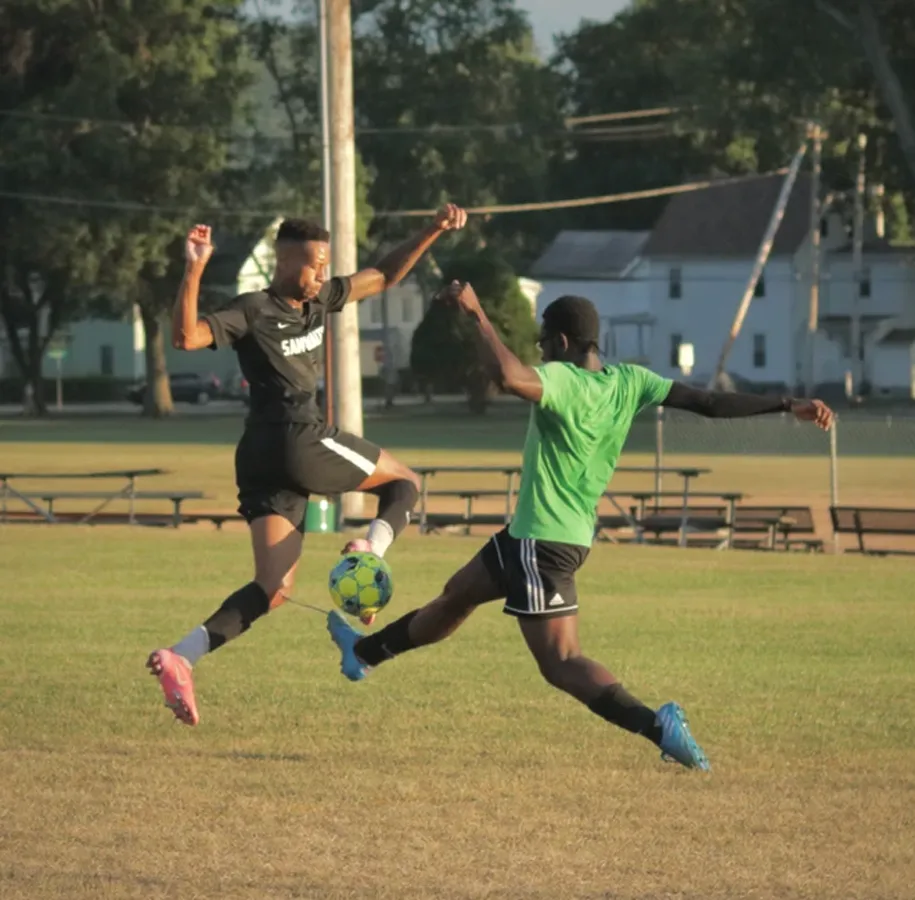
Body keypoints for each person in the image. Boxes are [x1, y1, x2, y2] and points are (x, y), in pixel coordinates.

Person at [328, 285, 834, 771]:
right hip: (545, 536)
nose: (541, 353)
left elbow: (508, 376)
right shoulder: (631, 382)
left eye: (544, 344)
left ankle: (659, 728)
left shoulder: (564, 381)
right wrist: (788, 404)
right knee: (456, 595)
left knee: (562, 662)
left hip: (541, 542)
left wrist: (477, 314)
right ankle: (364, 653)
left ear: (563, 344)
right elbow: (708, 402)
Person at [147, 205, 468, 726]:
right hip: (297, 438)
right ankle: (369, 553)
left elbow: (384, 275)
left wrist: (431, 229)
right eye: (315, 264)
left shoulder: (320, 300)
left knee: (272, 589)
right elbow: (186, 338)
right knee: (405, 482)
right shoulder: (253, 308)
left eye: (326, 265)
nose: (322, 274)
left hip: (257, 457)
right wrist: (195, 268)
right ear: (285, 261)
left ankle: (182, 656)